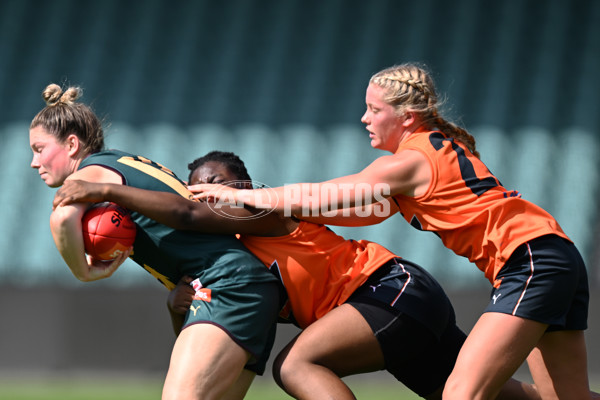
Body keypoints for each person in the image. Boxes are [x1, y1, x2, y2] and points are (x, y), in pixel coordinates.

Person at [189, 63, 595, 400]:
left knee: (461, 393)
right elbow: (355, 210)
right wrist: (288, 211)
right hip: (554, 255)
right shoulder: (429, 150)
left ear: (406, 116)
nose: (365, 118)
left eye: (374, 109)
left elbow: (322, 195)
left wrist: (240, 194)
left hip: (528, 260)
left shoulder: (407, 160)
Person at [54, 151, 541, 400]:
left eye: (216, 184)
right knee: (499, 395)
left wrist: (110, 191)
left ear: (245, 184)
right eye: (197, 187)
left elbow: (188, 217)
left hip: (387, 290)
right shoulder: (230, 266)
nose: (206, 193)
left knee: (295, 367)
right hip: (389, 309)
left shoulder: (261, 209)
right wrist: (177, 307)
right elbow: (217, 336)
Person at [29, 84, 283, 400]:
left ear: (70, 144)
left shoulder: (92, 171)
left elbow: (62, 218)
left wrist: (86, 272)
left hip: (225, 284)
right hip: (245, 285)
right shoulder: (121, 162)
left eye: (39, 149)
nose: (33, 162)